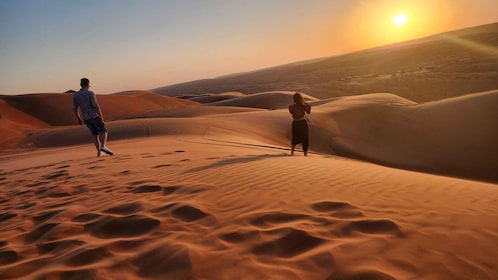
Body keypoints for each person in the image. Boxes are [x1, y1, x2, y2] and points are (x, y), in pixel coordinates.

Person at [73, 78, 113, 157]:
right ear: (88, 84)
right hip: (94, 116)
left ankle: (99, 152)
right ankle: (103, 146)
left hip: (86, 118)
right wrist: (101, 116)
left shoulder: (76, 95)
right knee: (103, 131)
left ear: (81, 84)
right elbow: (95, 106)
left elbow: (75, 108)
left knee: (94, 134)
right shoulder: (90, 93)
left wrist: (79, 118)